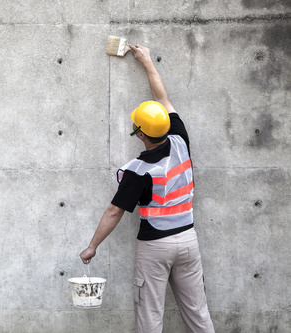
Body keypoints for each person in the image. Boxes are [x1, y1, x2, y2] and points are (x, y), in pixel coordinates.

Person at [79, 44, 215, 333]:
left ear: (139, 134)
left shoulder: (137, 171)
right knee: (198, 314)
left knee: (150, 316)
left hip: (155, 247)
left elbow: (115, 212)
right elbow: (162, 97)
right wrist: (147, 60)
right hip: (188, 241)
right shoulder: (180, 139)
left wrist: (92, 246)